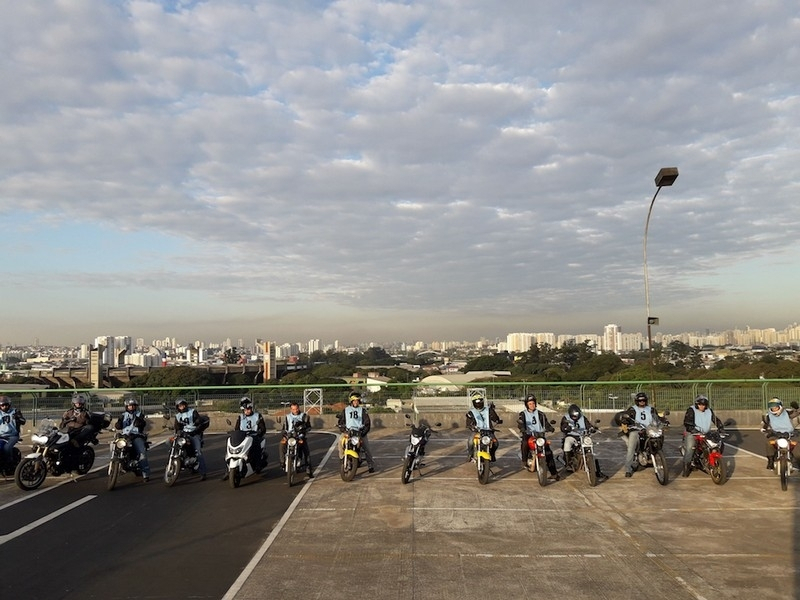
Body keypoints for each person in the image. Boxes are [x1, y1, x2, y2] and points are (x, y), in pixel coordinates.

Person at [617, 392, 662, 478]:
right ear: (636, 401)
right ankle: (628, 468)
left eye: (644, 400)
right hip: (636, 430)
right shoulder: (632, 409)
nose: (642, 402)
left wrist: (663, 421)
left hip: (650, 429)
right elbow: (626, 417)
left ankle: (658, 457)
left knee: (659, 436)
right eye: (640, 401)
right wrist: (625, 421)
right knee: (631, 448)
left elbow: (657, 418)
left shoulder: (651, 409)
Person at [560, 403, 608, 480]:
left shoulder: (583, 418)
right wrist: (566, 428)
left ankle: (597, 471)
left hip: (582, 436)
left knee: (590, 449)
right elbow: (563, 427)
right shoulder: (565, 418)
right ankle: (568, 463)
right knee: (567, 443)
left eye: (576, 415)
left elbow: (588, 425)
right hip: (571, 436)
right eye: (573, 416)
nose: (575, 417)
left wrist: (592, 428)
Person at [517, 395, 559, 480]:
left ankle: (554, 473)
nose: (532, 405)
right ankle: (524, 461)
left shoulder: (541, 414)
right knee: (524, 442)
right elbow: (521, 423)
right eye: (530, 404)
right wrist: (522, 428)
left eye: (533, 403)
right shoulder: (523, 414)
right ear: (527, 405)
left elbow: (545, 423)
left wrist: (550, 428)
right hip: (529, 434)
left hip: (539, 435)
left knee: (548, 452)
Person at [682, 395, 724, 477]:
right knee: (690, 448)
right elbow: (687, 421)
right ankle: (686, 468)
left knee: (718, 443)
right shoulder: (691, 410)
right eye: (700, 404)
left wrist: (721, 427)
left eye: (704, 405)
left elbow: (715, 420)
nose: (702, 406)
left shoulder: (709, 411)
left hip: (706, 433)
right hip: (693, 432)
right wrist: (692, 429)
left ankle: (710, 460)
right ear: (696, 404)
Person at [336, 391, 375, 473]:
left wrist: (363, 432)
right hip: (348, 432)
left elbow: (367, 422)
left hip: (359, 432)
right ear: (351, 401)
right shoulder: (346, 410)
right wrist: (343, 429)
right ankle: (342, 459)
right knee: (340, 442)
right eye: (354, 401)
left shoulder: (362, 411)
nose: (356, 402)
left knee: (366, 448)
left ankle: (370, 464)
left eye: (357, 400)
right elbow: (341, 421)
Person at [115, 398, 151, 482]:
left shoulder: (139, 414)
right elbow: (118, 425)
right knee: (114, 444)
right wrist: (118, 424)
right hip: (124, 436)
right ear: (126, 406)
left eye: (133, 406)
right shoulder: (123, 415)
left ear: (135, 406)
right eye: (129, 406)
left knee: (142, 453)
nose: (131, 407)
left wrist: (140, 423)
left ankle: (146, 473)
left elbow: (143, 423)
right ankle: (115, 463)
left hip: (136, 435)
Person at [760, 398, 799, 470]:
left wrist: (796, 408)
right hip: (775, 435)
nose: (774, 409)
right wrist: (764, 430)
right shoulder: (768, 416)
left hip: (790, 434)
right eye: (772, 408)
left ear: (780, 406)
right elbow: (764, 425)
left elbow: (796, 413)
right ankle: (770, 461)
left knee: (797, 446)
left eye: (775, 407)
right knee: (769, 443)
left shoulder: (787, 412)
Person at [173, 397, 207, 480]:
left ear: (185, 405)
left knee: (198, 451)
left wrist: (195, 430)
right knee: (171, 443)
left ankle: (203, 472)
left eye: (183, 405)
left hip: (194, 434)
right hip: (183, 435)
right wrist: (177, 432)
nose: (182, 407)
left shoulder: (192, 412)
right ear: (177, 407)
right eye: (180, 406)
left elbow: (199, 422)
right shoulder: (177, 416)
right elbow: (177, 427)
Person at [465, 390, 502, 462]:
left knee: (495, 443)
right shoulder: (471, 412)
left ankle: (492, 454)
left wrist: (497, 418)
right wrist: (470, 426)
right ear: (473, 403)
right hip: (477, 431)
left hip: (488, 431)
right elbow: (468, 422)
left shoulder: (488, 410)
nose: (478, 404)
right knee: (470, 442)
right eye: (476, 402)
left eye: (480, 402)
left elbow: (495, 418)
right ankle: (470, 454)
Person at [280, 400, 314, 477]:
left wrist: (305, 429)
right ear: (291, 409)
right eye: (293, 409)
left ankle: (308, 468)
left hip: (300, 436)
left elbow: (309, 427)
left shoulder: (304, 416)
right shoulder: (287, 417)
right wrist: (284, 435)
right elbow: (284, 428)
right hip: (290, 436)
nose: (295, 410)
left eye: (296, 409)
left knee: (306, 451)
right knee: (281, 444)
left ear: (298, 408)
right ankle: (282, 462)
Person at [234, 397, 267, 474]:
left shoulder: (257, 416)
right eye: (245, 410)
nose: (247, 411)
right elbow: (236, 428)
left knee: (256, 447)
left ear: (251, 408)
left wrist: (259, 433)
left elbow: (263, 428)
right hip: (243, 436)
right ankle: (229, 468)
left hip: (254, 436)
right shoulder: (240, 417)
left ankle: (258, 465)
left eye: (248, 409)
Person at [0, 396, 26, 464]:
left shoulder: (15, 411)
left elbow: (23, 421)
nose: (4, 406)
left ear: (9, 405)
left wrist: (18, 418)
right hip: (1, 435)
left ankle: (9, 463)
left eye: (6, 405)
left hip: (12, 435)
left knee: (7, 448)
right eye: (2, 405)